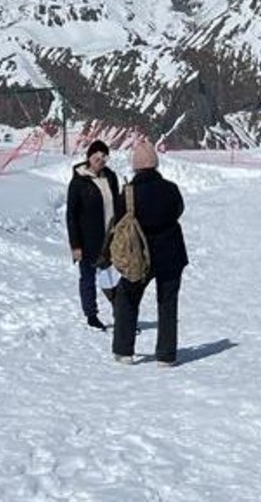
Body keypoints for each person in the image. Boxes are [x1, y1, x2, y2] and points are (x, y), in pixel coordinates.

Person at [111, 140, 188, 366]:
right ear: (155, 164)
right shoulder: (171, 188)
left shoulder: (128, 193)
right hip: (171, 253)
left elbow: (118, 220)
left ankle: (124, 350)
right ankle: (166, 355)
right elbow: (178, 210)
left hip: (138, 256)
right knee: (167, 302)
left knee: (127, 298)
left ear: (135, 166)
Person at [66, 139, 122, 330]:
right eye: (96, 156)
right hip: (88, 239)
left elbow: (118, 203)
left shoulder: (110, 177)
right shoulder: (78, 182)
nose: (100, 160)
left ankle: (121, 315)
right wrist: (75, 245)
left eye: (104, 157)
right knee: (88, 277)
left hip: (112, 237)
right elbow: (71, 215)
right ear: (89, 157)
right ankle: (91, 315)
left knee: (114, 278)